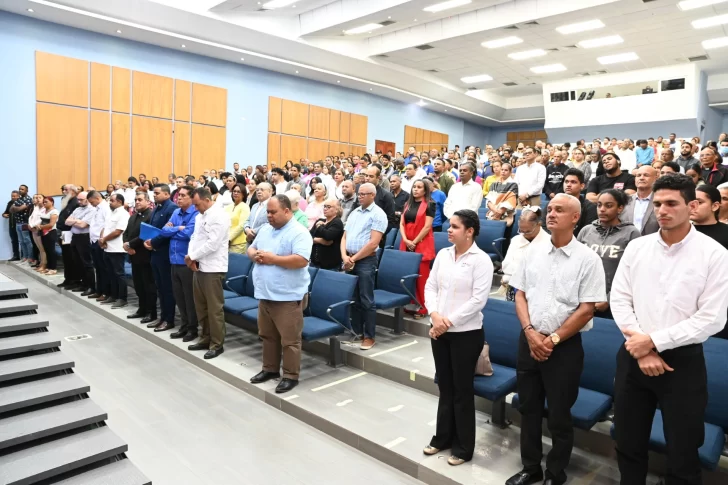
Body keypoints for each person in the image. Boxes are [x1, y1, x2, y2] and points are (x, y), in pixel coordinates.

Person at [610, 174, 728, 485]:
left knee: (683, 448)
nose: (662, 210)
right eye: (658, 203)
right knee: (628, 439)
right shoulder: (638, 248)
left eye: (671, 203)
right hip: (633, 355)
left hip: (682, 362)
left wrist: (652, 342)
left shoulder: (714, 254)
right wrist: (641, 343)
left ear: (691, 206)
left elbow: (712, 318)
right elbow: (619, 299)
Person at [507, 193, 606, 485]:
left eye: (559, 210)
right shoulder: (531, 253)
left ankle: (555, 472)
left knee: (560, 414)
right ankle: (531, 467)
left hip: (563, 348)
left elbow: (587, 309)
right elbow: (520, 294)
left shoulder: (588, 259)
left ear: (575, 218)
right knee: (529, 408)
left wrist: (550, 340)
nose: (551, 214)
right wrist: (529, 333)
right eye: (550, 209)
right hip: (529, 340)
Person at [422, 209, 494, 466]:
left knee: (462, 391)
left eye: (454, 226)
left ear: (470, 231)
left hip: (466, 334)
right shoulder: (443, 254)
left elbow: (478, 300)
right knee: (445, 387)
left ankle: (463, 447)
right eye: (449, 226)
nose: (448, 230)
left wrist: (447, 322)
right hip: (439, 330)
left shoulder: (481, 260)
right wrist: (434, 314)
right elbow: (431, 286)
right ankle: (443, 437)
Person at [248, 195, 313, 393]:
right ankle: (270, 369)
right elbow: (251, 248)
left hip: (287, 296)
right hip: (265, 293)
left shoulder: (300, 232)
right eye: (267, 211)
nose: (269, 215)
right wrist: (255, 255)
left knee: (290, 340)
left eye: (273, 212)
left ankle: (291, 375)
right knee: (267, 335)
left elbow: (301, 260)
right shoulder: (266, 229)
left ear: (287, 211)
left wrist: (272, 259)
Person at [577, 190, 641, 319]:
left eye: (609, 205)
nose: (602, 209)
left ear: (620, 208)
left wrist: (609, 298)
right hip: (581, 301)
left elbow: (634, 273)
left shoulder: (631, 233)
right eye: (599, 205)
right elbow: (574, 265)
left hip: (614, 305)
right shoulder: (586, 231)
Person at [341, 183, 389, 350]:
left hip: (366, 261)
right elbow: (344, 236)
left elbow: (373, 243)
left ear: (372, 195)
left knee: (366, 299)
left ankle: (369, 336)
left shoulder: (378, 214)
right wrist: (344, 256)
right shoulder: (354, 212)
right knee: (353, 299)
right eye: (359, 193)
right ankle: (357, 333)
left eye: (364, 194)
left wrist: (352, 259)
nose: (360, 196)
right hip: (350, 258)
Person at [186, 187, 230, 360]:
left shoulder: (220, 215)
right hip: (199, 265)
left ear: (206, 199)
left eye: (197, 204)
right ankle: (205, 338)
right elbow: (194, 238)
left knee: (214, 309)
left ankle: (216, 343)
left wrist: (192, 256)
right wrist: (191, 256)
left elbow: (213, 243)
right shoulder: (199, 217)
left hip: (213, 267)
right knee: (201, 307)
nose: (196, 208)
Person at [158, 185, 199, 341]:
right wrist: (178, 228)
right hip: (173, 260)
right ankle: (184, 326)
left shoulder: (195, 214)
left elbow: (188, 234)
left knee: (189, 299)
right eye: (178, 196)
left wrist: (173, 229)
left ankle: (192, 329)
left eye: (182, 195)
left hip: (186, 261)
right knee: (179, 298)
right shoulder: (176, 212)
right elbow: (163, 231)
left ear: (191, 197)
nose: (179, 198)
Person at [144, 185, 178, 332]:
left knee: (167, 288)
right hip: (155, 252)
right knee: (160, 288)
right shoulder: (157, 208)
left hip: (164, 253)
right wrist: (147, 241)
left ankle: (169, 319)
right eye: (154, 193)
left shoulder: (172, 208)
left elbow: (167, 231)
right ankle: (162, 317)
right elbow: (152, 228)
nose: (154, 195)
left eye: (157, 193)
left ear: (166, 193)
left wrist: (153, 242)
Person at [399, 180, 435, 318]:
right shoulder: (407, 204)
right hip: (407, 241)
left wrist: (414, 242)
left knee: (421, 277)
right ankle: (411, 302)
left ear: (425, 191)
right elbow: (402, 223)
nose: (415, 189)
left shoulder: (430, 204)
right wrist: (407, 240)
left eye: (419, 187)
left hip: (421, 243)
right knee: (408, 275)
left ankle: (424, 306)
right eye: (414, 187)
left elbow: (427, 226)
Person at [500, 207, 549, 301]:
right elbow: (506, 266)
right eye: (521, 231)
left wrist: (515, 273)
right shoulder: (515, 240)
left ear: (539, 224)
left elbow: (542, 273)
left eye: (528, 231)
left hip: (538, 293)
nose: (524, 234)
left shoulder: (549, 242)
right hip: (514, 288)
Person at [122, 191, 157, 323]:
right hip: (133, 255)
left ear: (148, 202)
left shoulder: (150, 216)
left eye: (140, 199)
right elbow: (126, 233)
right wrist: (126, 245)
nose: (137, 202)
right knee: (138, 285)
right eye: (136, 200)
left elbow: (145, 235)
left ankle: (151, 312)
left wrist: (130, 244)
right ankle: (141, 309)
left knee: (148, 286)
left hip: (145, 256)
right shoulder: (133, 216)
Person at [99, 194, 130, 308]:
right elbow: (105, 227)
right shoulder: (111, 212)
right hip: (107, 248)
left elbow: (118, 231)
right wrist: (101, 239)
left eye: (112, 201)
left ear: (119, 202)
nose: (110, 203)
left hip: (117, 248)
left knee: (119, 274)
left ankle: (122, 298)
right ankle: (113, 295)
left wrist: (104, 239)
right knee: (110, 273)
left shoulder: (123, 214)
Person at [64, 191, 97, 295]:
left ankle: (91, 286)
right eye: (78, 199)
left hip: (84, 238)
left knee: (87, 263)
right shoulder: (77, 209)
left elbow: (83, 225)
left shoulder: (92, 210)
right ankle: (83, 284)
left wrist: (74, 221)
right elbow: (66, 221)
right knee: (77, 262)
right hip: (75, 237)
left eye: (81, 199)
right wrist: (77, 221)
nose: (78, 201)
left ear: (87, 199)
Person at [86, 191, 111, 301]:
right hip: (93, 240)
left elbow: (106, 224)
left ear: (97, 198)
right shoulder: (97, 208)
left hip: (100, 241)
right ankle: (99, 290)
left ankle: (106, 292)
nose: (91, 204)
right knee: (98, 268)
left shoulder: (105, 208)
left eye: (92, 202)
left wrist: (102, 238)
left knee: (103, 268)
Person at [621, 165, 659, 236]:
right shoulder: (624, 201)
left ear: (655, 178)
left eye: (646, 175)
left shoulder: (661, 201)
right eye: (638, 175)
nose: (641, 178)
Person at [310, 199, 344, 270]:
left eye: (328, 207)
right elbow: (308, 237)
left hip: (330, 265)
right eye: (324, 206)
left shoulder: (337, 222)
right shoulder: (320, 221)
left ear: (337, 210)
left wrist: (319, 226)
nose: (325, 209)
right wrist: (320, 240)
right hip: (314, 262)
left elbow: (328, 236)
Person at [691, 184, 728, 249]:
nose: (692, 206)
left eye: (699, 202)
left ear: (715, 206)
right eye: (690, 202)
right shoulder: (680, 232)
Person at [562, 169, 597, 236]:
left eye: (573, 182)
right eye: (566, 182)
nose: (568, 185)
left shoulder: (590, 208)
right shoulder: (553, 204)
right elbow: (544, 226)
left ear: (582, 186)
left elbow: (587, 232)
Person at [10, 185, 33, 262]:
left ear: (26, 191)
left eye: (22, 189)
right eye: (19, 189)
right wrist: (19, 208)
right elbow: (11, 209)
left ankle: (30, 258)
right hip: (18, 223)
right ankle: (24, 257)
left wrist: (16, 208)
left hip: (25, 223)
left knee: (27, 240)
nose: (20, 190)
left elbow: (20, 208)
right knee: (21, 241)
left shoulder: (29, 199)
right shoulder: (18, 199)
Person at [225, 183, 251, 254]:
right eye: (234, 191)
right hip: (225, 242)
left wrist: (229, 238)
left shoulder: (244, 207)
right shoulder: (229, 207)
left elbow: (242, 225)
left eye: (238, 192)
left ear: (243, 194)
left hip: (238, 244)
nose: (235, 193)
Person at [38, 197, 59, 275]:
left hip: (51, 232)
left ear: (52, 202)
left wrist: (40, 226)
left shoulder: (54, 211)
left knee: (51, 251)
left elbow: (51, 224)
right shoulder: (44, 210)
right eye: (43, 202)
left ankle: (53, 268)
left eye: (46, 202)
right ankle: (48, 267)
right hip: (43, 232)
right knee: (46, 250)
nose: (44, 203)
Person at [28, 194, 46, 272]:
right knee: (39, 248)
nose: (38, 199)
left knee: (42, 248)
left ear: (43, 199)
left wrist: (33, 225)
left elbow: (41, 219)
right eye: (36, 198)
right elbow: (31, 217)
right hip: (33, 229)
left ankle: (44, 264)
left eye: (40, 198)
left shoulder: (45, 208)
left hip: (39, 229)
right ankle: (40, 263)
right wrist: (30, 225)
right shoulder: (36, 208)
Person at [3, 191, 20, 261]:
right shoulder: (10, 203)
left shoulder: (21, 203)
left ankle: (25, 257)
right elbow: (6, 212)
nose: (13, 197)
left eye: (15, 196)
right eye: (12, 196)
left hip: (20, 224)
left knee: (24, 241)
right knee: (14, 240)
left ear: (18, 196)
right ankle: (16, 255)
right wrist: (4, 215)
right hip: (12, 225)